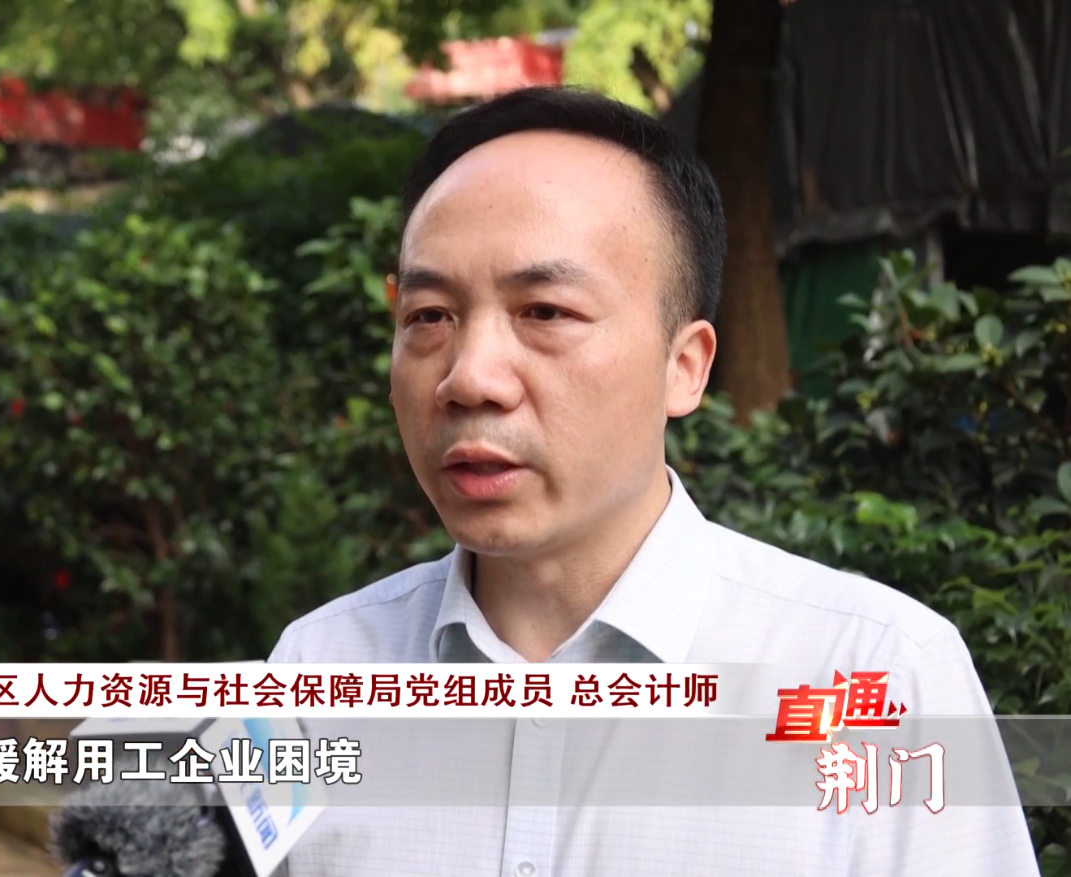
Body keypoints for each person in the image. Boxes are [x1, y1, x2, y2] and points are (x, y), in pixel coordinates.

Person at [266, 86, 1037, 876]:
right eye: (429, 315)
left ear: (684, 366)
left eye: (545, 311)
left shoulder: (880, 677)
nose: (469, 378)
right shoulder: (309, 673)